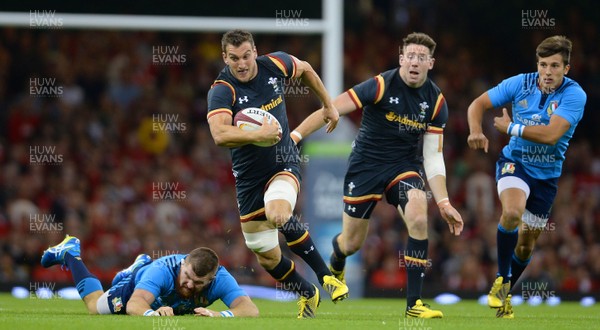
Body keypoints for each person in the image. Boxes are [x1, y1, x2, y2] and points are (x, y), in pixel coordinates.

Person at [291, 32, 464, 318]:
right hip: (366, 166)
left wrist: (444, 202)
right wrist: (295, 136)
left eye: (421, 57)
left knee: (420, 216)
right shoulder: (381, 85)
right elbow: (331, 108)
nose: (415, 62)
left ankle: (414, 305)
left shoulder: (435, 102)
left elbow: (433, 157)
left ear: (431, 63)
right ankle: (338, 252)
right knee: (351, 243)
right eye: (410, 56)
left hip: (403, 167)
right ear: (401, 59)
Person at [206, 29, 348, 318]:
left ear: (255, 51)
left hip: (282, 163)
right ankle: (307, 293)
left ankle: (327, 277)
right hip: (248, 178)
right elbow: (219, 134)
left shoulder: (276, 65)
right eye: (234, 58)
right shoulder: (222, 89)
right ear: (225, 58)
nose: (242, 63)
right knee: (265, 253)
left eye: (246, 55)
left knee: (278, 214)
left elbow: (306, 69)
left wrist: (328, 104)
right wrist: (259, 133)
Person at [467, 35, 586, 318]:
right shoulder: (520, 83)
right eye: (543, 64)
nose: (547, 72)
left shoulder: (574, 94)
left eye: (555, 66)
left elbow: (552, 134)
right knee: (511, 213)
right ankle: (500, 280)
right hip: (515, 162)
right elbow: (477, 104)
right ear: (537, 64)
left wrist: (511, 129)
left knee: (526, 244)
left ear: (566, 68)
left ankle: (506, 289)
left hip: (546, 177)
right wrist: (475, 130)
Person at [40, 235, 259, 317]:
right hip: (141, 282)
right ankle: (70, 253)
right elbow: (135, 304)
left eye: (198, 283)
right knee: (94, 306)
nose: (190, 284)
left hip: (153, 284)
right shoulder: (162, 271)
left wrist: (219, 315)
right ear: (183, 264)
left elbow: (250, 309)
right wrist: (152, 314)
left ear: (211, 280)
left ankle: (135, 266)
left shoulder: (220, 278)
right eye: (187, 276)